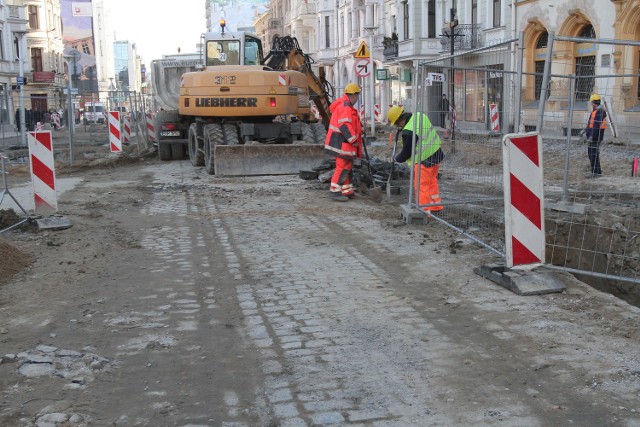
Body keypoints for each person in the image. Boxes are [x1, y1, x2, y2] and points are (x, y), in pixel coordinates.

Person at [388, 105, 444, 212]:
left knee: (421, 186)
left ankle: (424, 210)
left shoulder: (408, 132)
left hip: (424, 160)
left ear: (399, 120)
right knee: (432, 182)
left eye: (396, 124)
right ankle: (436, 206)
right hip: (436, 154)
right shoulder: (419, 116)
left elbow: (406, 153)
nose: (397, 127)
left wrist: (396, 159)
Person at [324, 83, 363, 201]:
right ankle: (335, 191)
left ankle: (347, 190)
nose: (357, 99)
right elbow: (344, 125)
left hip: (341, 142)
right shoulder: (345, 107)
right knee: (342, 166)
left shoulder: (345, 106)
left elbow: (349, 124)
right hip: (342, 142)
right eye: (357, 96)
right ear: (355, 96)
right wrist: (354, 139)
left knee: (347, 166)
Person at [584, 93, 607, 177]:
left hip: (595, 137)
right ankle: (597, 171)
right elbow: (591, 124)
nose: (591, 104)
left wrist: (591, 137)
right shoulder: (596, 111)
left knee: (593, 154)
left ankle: (595, 173)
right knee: (593, 154)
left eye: (591, 102)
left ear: (593, 102)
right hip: (593, 136)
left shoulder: (599, 111)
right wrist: (585, 131)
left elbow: (596, 126)